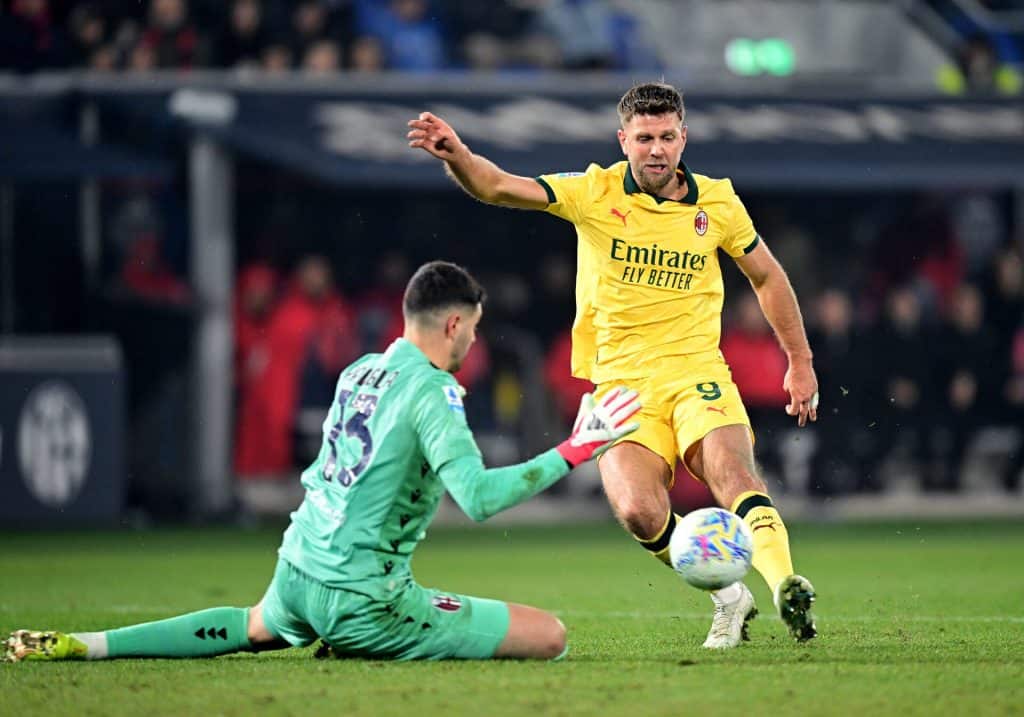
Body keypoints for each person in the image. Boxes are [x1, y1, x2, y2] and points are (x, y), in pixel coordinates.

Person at [5, 261, 640, 663]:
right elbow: (477, 498)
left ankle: (86, 645)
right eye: (472, 328)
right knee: (549, 635)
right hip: (362, 599)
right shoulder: (434, 390)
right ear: (452, 324)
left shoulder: (361, 370)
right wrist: (573, 451)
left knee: (252, 625)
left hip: (297, 570)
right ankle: (356, 637)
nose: (474, 341)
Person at [407, 82, 820, 648]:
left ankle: (784, 587)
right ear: (623, 139)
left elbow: (767, 276)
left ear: (683, 138)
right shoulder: (593, 192)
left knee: (733, 473)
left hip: (696, 370)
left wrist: (799, 360)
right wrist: (459, 156)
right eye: (645, 138)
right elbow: (500, 186)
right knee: (637, 510)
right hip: (622, 385)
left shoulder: (717, 202)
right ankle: (728, 595)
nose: (656, 149)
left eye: (667, 137)